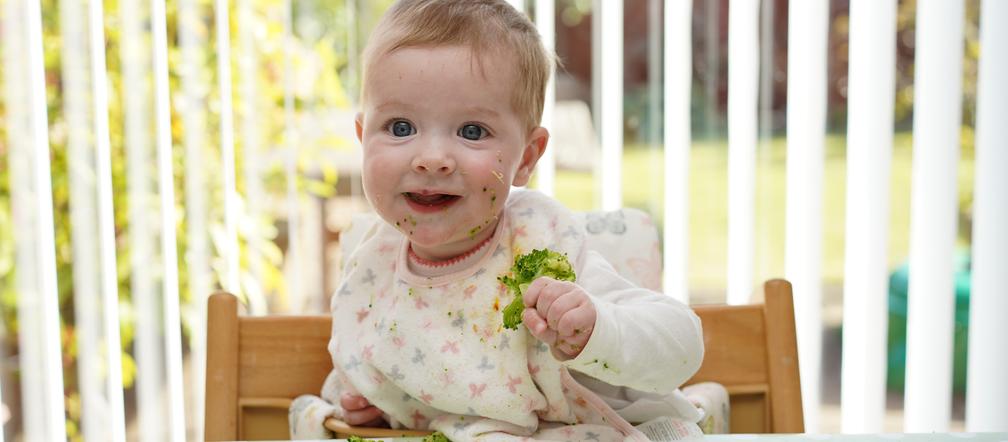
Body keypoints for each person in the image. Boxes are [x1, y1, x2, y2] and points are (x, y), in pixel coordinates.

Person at [289, 1, 714, 440]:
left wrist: (596, 329)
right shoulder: (372, 264)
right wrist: (366, 404)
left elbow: (683, 343)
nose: (432, 159)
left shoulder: (543, 249)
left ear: (526, 158)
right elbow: (375, 369)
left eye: (471, 131)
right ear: (363, 138)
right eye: (400, 127)